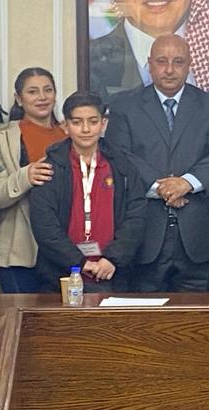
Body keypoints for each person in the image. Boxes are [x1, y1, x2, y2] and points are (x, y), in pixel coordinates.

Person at [105, 34, 209, 292]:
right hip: (144, 236)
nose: (169, 70)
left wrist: (186, 183)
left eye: (178, 62)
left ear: (189, 65)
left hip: (200, 237)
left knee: (198, 316)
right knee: (145, 316)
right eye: (162, 61)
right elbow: (119, 154)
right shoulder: (125, 106)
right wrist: (162, 188)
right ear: (149, 64)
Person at [29, 92, 148, 291]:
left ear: (103, 124)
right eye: (77, 122)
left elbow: (136, 216)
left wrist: (112, 258)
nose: (85, 129)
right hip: (60, 275)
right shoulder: (51, 167)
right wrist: (79, 262)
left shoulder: (122, 165)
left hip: (112, 271)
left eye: (93, 122)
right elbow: (45, 225)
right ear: (65, 126)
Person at [0, 68, 68, 292]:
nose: (42, 97)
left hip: (64, 249)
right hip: (18, 249)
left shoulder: (70, 135)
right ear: (19, 99)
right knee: (18, 314)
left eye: (47, 90)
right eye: (32, 91)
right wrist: (25, 177)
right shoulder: (3, 137)